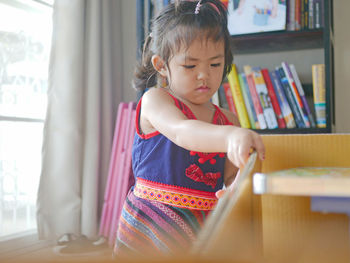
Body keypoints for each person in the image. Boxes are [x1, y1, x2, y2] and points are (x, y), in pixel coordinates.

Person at [114, 0, 265, 256]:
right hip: (152, 223)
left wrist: (237, 182)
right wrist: (231, 136)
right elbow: (182, 131)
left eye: (215, 64)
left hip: (203, 225)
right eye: (190, 65)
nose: (204, 75)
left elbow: (230, 175)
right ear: (162, 65)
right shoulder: (155, 100)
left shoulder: (228, 120)